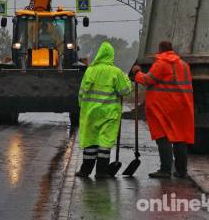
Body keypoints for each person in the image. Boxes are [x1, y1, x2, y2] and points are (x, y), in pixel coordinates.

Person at [131, 41, 194, 178]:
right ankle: (181, 171)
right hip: (182, 107)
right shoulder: (184, 65)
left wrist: (137, 73)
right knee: (180, 138)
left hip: (164, 107)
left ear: (160, 50)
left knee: (162, 137)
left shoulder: (161, 63)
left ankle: (165, 170)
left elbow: (148, 80)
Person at [76, 42, 131, 179]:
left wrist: (82, 107)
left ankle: (85, 171)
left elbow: (82, 92)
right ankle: (101, 172)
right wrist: (126, 79)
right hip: (108, 114)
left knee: (90, 142)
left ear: (99, 54)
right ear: (111, 56)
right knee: (104, 143)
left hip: (91, 113)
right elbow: (125, 91)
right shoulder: (116, 72)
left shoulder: (90, 70)